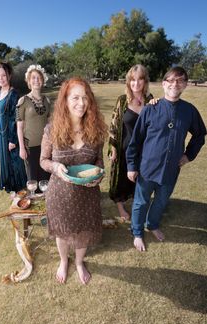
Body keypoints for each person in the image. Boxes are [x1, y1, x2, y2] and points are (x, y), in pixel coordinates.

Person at [126, 66, 207, 252]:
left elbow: (200, 135)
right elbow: (136, 141)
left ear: (185, 84)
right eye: (170, 80)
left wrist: (188, 155)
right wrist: (132, 165)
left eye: (180, 80)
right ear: (163, 84)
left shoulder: (189, 111)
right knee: (141, 201)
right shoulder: (150, 109)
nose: (174, 84)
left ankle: (152, 224)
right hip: (147, 168)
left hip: (171, 169)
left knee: (162, 201)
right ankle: (137, 231)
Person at [40, 77, 108, 284]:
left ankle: (78, 262)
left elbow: (99, 162)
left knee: (84, 232)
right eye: (75, 98)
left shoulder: (95, 130)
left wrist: (98, 176)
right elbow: (43, 161)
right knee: (62, 231)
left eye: (85, 98)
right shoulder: (51, 130)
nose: (81, 103)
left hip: (87, 195)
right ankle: (63, 260)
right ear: (65, 101)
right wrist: (55, 167)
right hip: (60, 194)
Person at [108, 64, 153, 220]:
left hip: (144, 150)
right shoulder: (122, 101)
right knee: (121, 179)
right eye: (132, 80)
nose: (136, 83)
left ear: (145, 81)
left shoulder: (151, 101)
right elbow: (113, 125)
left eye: (140, 79)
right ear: (128, 82)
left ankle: (137, 202)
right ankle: (121, 207)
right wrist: (112, 148)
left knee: (140, 178)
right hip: (123, 149)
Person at [0, 62, 27, 193]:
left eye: (4, 75)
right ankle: (12, 190)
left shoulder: (13, 94)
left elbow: (14, 119)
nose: (1, 78)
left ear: (9, 76)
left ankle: (20, 190)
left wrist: (13, 140)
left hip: (11, 137)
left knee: (15, 164)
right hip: (1, 137)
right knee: (5, 162)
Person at [16, 64, 51, 184]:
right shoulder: (23, 101)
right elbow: (19, 127)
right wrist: (21, 148)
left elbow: (49, 123)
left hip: (46, 144)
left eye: (39, 78)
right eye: (33, 78)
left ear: (43, 80)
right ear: (29, 81)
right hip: (30, 147)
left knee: (46, 176)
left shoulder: (47, 100)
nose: (36, 80)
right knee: (33, 178)